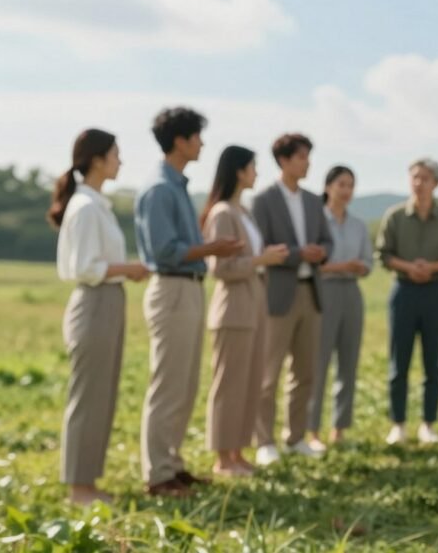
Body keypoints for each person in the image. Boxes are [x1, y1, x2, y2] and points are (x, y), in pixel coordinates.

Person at [135, 107, 243, 497]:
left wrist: (207, 249)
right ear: (180, 140)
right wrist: (212, 247)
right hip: (173, 288)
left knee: (184, 383)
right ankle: (158, 474)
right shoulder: (160, 189)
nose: (201, 143)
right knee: (168, 384)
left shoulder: (176, 185)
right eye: (197, 136)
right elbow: (165, 251)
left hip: (190, 287)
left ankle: (173, 464)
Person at [50, 129, 149, 504]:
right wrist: (129, 268)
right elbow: (87, 266)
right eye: (115, 154)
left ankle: (87, 481)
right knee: (88, 396)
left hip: (108, 301)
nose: (120, 161)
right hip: (95, 302)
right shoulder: (87, 208)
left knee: (101, 394)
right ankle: (79, 488)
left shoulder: (95, 204)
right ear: (97, 159)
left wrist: (125, 272)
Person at [200, 146, 289, 476]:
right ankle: (223, 458)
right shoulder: (222, 213)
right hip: (232, 310)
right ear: (239, 171)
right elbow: (221, 267)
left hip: (254, 308)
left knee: (249, 383)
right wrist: (260, 261)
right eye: (253, 167)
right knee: (229, 385)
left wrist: (263, 257)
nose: (257, 173)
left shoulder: (244, 213)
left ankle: (236, 452)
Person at [251, 133, 333, 466]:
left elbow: (327, 242)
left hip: (310, 293)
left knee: (306, 371)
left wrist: (321, 253)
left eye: (308, 156)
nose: (307, 163)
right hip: (277, 293)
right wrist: (301, 254)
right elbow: (261, 248)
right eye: (302, 157)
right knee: (268, 373)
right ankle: (264, 440)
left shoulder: (315, 201)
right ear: (284, 160)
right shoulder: (264, 200)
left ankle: (295, 437)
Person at [375, 158, 438, 445]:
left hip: (435, 294)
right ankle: (398, 424)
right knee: (399, 362)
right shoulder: (395, 216)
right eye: (414, 177)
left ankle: (428, 424)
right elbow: (383, 255)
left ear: (435, 183)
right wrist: (409, 267)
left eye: (424, 178)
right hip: (403, 292)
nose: (418, 183)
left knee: (432, 363)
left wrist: (431, 268)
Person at [307, 165, 373, 449]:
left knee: (348, 362)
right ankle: (311, 430)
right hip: (323, 293)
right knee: (317, 362)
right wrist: (341, 266)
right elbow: (311, 264)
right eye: (341, 184)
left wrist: (357, 268)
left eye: (351, 185)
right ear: (328, 187)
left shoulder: (358, 225)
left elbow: (368, 262)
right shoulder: (316, 221)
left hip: (352, 293)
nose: (346, 190)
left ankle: (339, 428)